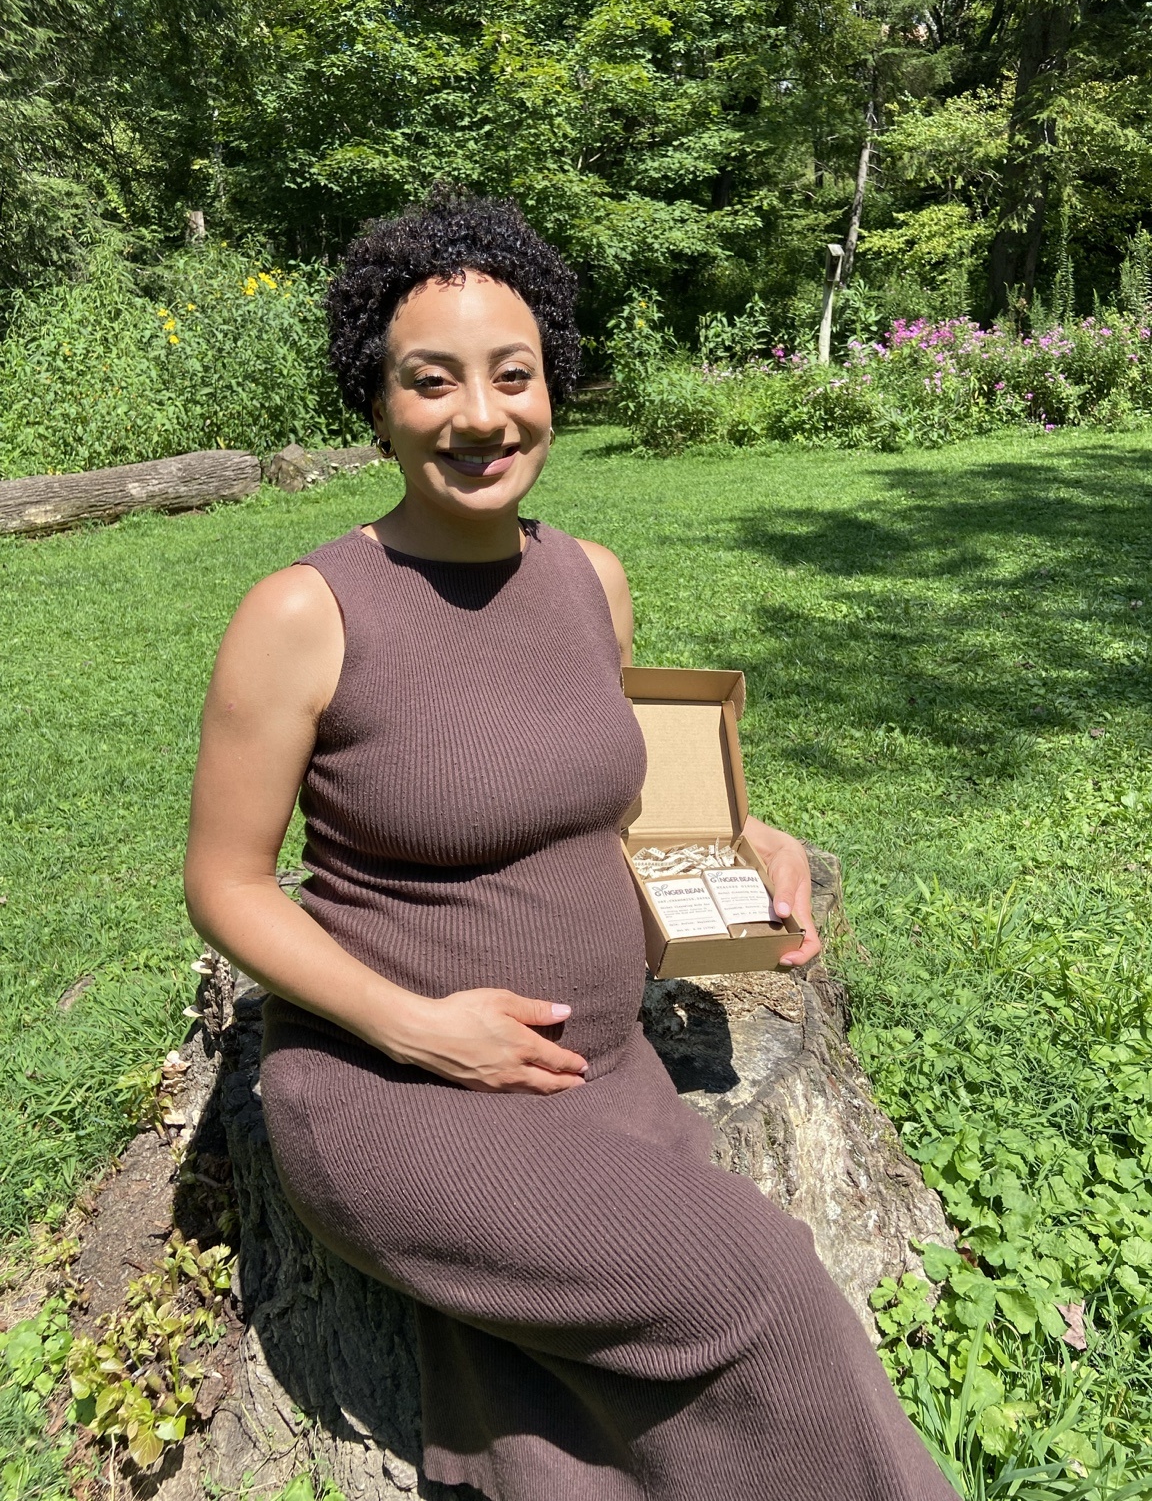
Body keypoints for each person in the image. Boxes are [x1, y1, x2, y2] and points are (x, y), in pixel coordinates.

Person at [184, 190, 958, 1501]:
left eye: (513, 375)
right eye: (432, 382)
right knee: (761, 1283)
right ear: (376, 401)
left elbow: (606, 781)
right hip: (399, 1094)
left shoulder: (589, 578)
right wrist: (424, 1029)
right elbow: (224, 885)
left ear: (556, 387)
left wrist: (740, 829)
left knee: (565, 1408)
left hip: (595, 1070)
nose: (479, 416)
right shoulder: (305, 613)